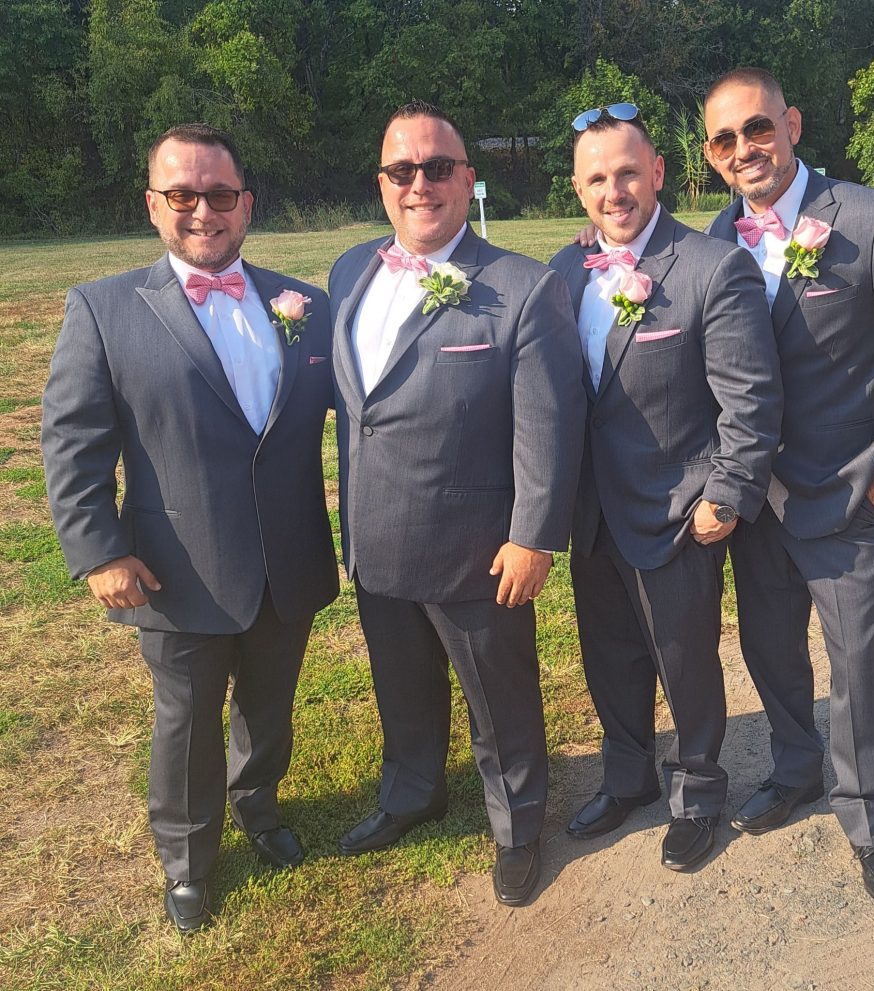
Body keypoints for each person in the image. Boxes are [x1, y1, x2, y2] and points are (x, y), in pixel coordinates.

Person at [41, 124, 339, 933]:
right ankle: (185, 858)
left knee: (269, 706)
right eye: (182, 194)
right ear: (153, 205)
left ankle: (257, 803)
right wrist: (98, 550)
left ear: (247, 203)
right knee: (185, 722)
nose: (203, 210)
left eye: (219, 194)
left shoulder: (305, 306)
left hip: (287, 559)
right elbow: (72, 442)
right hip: (176, 567)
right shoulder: (103, 309)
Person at [702, 67, 874, 911]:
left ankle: (868, 817)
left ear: (791, 123)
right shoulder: (715, 235)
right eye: (725, 139)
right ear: (711, 156)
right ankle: (795, 767)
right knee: (768, 645)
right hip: (756, 496)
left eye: (758, 127)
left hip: (852, 489)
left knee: (854, 658)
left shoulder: (869, 218)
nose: (745, 148)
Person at [328, 101, 585, 906]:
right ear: (381, 183)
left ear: (467, 179)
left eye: (437, 167)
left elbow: (548, 424)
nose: (420, 184)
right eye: (402, 170)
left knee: (500, 702)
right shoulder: (348, 272)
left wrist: (534, 535)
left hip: (478, 549)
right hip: (376, 537)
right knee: (400, 686)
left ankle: (518, 822)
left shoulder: (523, 288)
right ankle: (413, 791)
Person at [549, 104, 782, 871]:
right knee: (610, 656)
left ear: (656, 173)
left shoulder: (713, 266)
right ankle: (628, 777)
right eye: (596, 179)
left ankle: (699, 792)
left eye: (626, 173)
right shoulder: (563, 271)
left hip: (679, 510)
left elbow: (752, 398)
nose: (613, 191)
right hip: (592, 512)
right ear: (579, 190)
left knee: (684, 663)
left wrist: (727, 493)